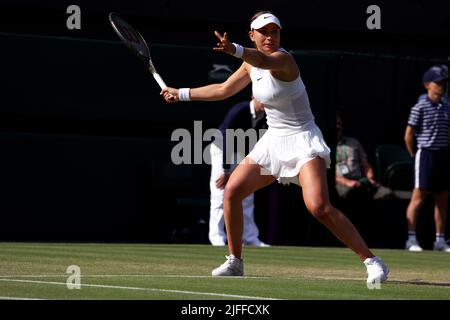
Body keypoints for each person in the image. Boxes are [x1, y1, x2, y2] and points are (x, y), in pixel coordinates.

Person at [161, 11, 389, 284]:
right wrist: (181, 93)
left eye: (274, 32)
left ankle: (372, 261)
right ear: (252, 34)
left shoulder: (283, 59)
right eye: (263, 32)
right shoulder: (249, 65)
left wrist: (233, 49)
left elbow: (261, 59)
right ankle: (235, 262)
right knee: (232, 191)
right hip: (273, 140)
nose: (270, 37)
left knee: (319, 206)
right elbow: (223, 89)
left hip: (303, 138)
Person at [209, 97, 269, 246]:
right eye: (263, 98)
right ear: (254, 97)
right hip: (222, 149)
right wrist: (226, 170)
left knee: (247, 194)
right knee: (220, 193)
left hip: (244, 154)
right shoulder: (239, 110)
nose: (266, 102)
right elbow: (227, 139)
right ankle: (217, 237)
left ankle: (250, 238)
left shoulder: (269, 116)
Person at [404, 65, 450, 252]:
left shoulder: (447, 107)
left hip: (444, 155)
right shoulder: (420, 106)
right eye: (438, 83)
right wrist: (415, 156)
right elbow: (408, 135)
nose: (442, 86)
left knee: (443, 198)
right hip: (425, 154)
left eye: (444, 83)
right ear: (427, 85)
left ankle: (440, 240)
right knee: (419, 196)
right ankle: (411, 239)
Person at [335, 112, 394, 200]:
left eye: (339, 124)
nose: (337, 127)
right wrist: (346, 182)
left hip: (359, 180)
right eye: (335, 124)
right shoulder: (323, 146)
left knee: (387, 193)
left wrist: (370, 178)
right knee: (351, 194)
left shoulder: (354, 142)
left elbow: (365, 164)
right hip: (341, 182)